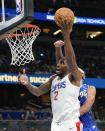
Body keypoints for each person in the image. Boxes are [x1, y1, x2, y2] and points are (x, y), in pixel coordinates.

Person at [18, 21, 83, 130]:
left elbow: (71, 60)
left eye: (62, 63)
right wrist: (27, 84)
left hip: (70, 123)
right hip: (55, 124)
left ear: (69, 66)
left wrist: (66, 36)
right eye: (58, 63)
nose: (58, 64)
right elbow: (38, 92)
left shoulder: (74, 76)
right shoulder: (54, 79)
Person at [54, 40, 98, 131]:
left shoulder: (90, 88)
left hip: (87, 126)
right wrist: (58, 48)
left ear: (83, 75)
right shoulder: (67, 86)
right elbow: (61, 64)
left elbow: (86, 107)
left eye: (77, 71)